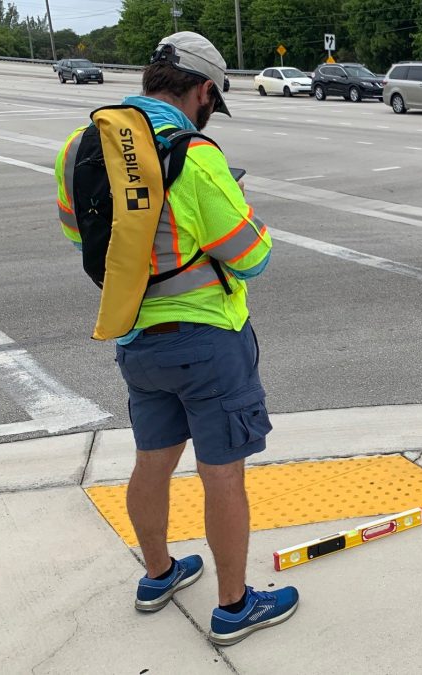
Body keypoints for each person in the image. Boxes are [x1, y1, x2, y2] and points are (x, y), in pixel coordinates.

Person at [55, 32, 297, 647]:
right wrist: (239, 207)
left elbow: (74, 229)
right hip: (208, 343)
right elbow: (252, 256)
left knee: (151, 463)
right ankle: (234, 605)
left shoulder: (82, 146)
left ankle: (158, 574)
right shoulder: (194, 154)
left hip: (138, 339)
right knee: (222, 475)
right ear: (204, 90)